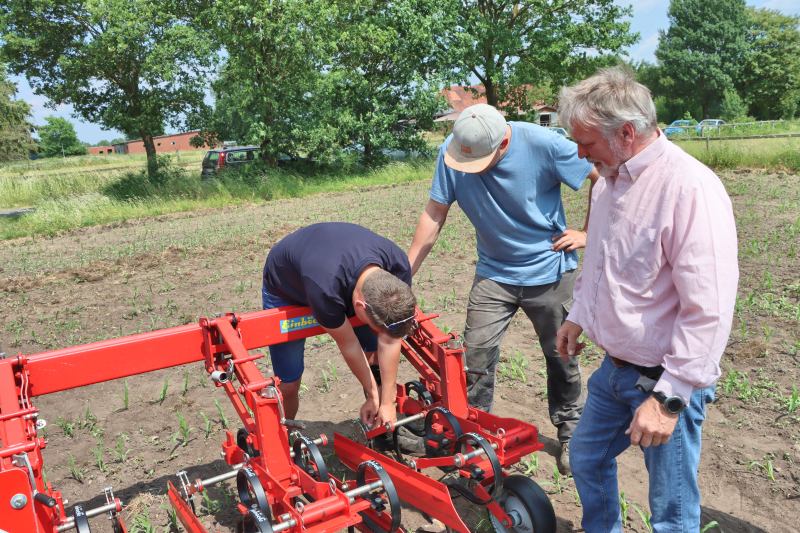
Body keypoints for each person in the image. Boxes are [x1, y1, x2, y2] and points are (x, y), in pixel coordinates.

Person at [555, 67, 739, 532]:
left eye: (587, 143)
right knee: (586, 458)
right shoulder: (608, 182)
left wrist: (670, 399)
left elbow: (709, 307)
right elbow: (598, 260)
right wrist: (578, 315)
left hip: (663, 377)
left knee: (671, 509)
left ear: (627, 133)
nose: (579, 154)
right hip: (614, 370)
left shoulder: (688, 187)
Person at [407, 103, 599, 474]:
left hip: (549, 272)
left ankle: (571, 429)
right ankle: (474, 433)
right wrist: (406, 272)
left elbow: (600, 177)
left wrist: (588, 233)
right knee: (475, 355)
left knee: (562, 355)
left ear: (504, 139)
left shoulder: (544, 143)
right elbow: (434, 214)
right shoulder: (453, 151)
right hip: (494, 274)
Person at [262, 222, 417, 429]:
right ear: (359, 307)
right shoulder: (325, 289)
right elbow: (349, 344)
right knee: (288, 384)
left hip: (336, 270)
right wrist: (373, 395)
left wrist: (387, 402)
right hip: (288, 286)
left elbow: (390, 339)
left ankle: (379, 424)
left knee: (375, 358)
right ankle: (283, 435)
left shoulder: (398, 266)